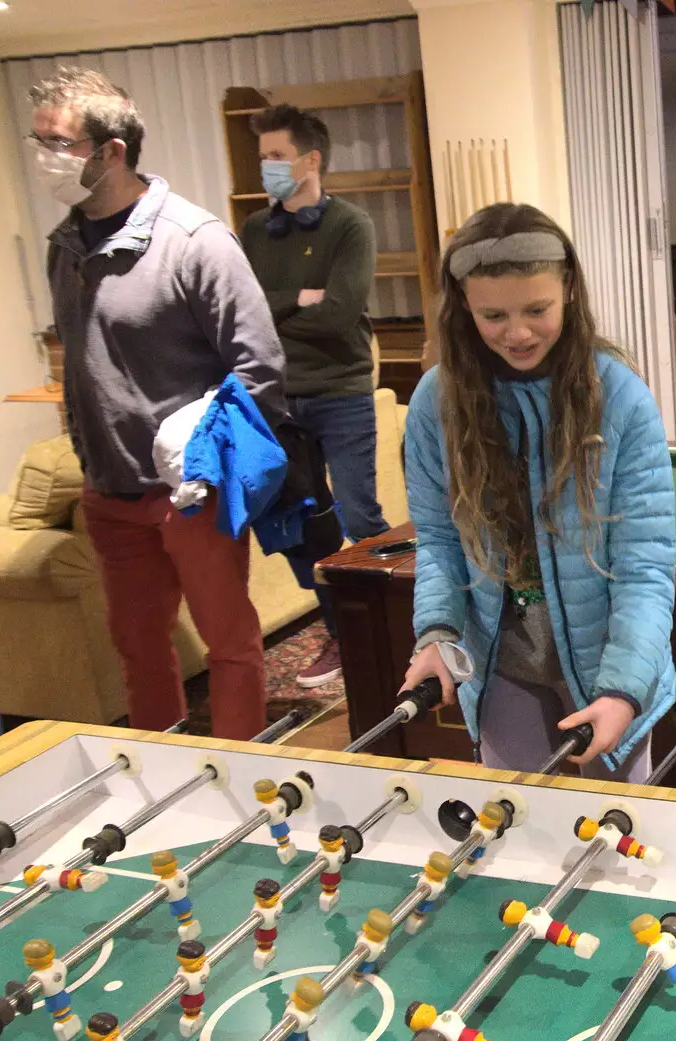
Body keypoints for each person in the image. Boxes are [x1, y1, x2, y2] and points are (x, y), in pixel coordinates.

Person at [32, 67, 284, 740]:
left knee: (229, 645)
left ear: (111, 151)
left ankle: (242, 778)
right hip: (108, 493)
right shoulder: (63, 247)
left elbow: (260, 365)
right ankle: (158, 780)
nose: (44, 160)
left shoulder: (195, 242)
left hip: (189, 496)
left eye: (59, 144)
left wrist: (205, 463)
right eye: (38, 142)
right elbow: (81, 365)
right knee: (139, 648)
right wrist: (88, 460)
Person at [399, 204, 676, 780]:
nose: (517, 332)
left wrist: (624, 690)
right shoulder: (436, 402)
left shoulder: (621, 398)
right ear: (463, 308)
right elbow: (439, 539)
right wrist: (436, 635)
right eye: (492, 314)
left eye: (537, 309)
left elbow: (644, 568)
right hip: (502, 665)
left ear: (569, 289)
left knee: (616, 833)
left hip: (610, 666)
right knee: (520, 826)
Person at [240, 103, 387, 689]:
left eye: (276, 156)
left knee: (361, 517)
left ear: (311, 159)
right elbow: (245, 314)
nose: (268, 168)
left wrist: (283, 306)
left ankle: (385, 624)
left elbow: (339, 315)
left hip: (342, 391)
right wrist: (297, 297)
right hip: (278, 399)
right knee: (302, 526)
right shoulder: (253, 230)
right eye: (263, 159)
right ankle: (339, 635)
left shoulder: (351, 225)